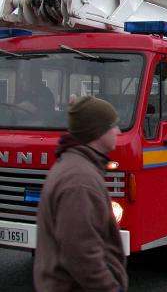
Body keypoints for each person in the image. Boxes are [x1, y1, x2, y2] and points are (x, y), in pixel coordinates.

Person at [34, 96, 128, 292]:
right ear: (97, 131)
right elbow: (81, 253)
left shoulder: (76, 167)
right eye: (113, 125)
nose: (118, 132)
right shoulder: (80, 181)